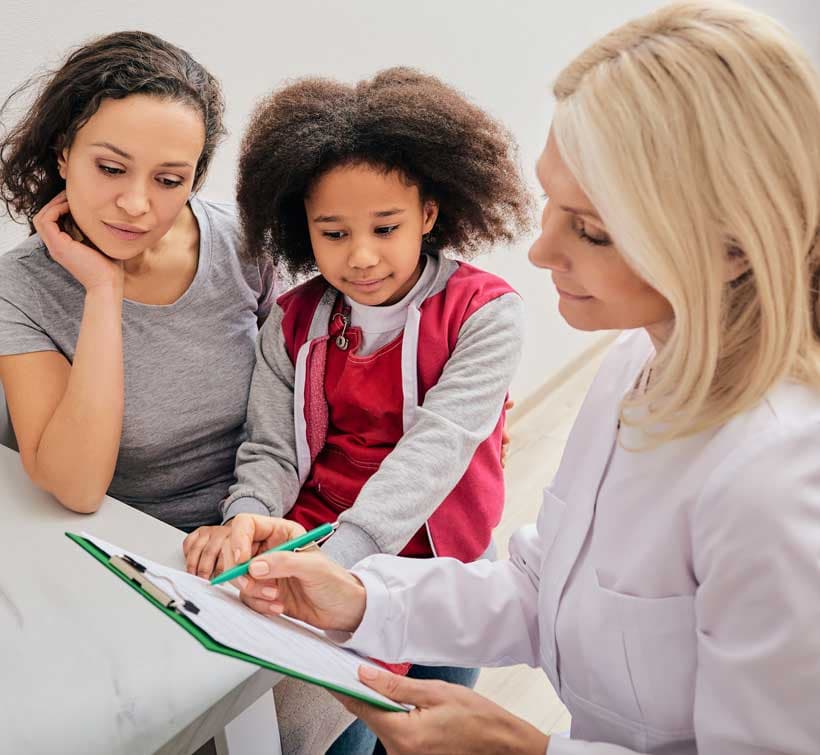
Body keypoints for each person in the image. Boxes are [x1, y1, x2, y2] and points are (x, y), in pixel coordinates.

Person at [219, 2, 820, 753]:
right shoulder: (634, 366)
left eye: (591, 228)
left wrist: (527, 750)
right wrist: (361, 594)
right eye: (550, 206)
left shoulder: (780, 483)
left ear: (734, 244)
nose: (540, 252)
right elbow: (544, 587)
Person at [182, 68, 531, 753]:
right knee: (340, 735)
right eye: (333, 233)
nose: (361, 255)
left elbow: (437, 450)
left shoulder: (487, 314)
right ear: (300, 228)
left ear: (429, 214)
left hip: (443, 556)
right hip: (315, 549)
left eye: (385, 226)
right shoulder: (292, 319)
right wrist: (246, 518)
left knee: (436, 729)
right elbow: (271, 446)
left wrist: (341, 560)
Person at [0, 32, 276, 530]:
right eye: (110, 168)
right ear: (63, 154)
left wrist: (251, 517)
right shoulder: (20, 289)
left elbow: (292, 408)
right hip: (130, 544)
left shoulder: (242, 242)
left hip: (260, 525)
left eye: (168, 180)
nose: (135, 204)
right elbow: (78, 487)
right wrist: (103, 292)